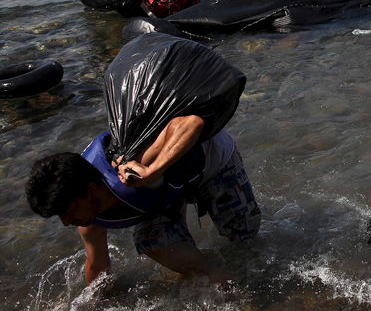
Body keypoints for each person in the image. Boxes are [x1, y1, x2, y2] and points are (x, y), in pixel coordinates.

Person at [27, 116, 261, 285]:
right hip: (162, 190)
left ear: (89, 191)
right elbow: (98, 268)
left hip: (210, 160)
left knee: (244, 239)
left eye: (66, 211)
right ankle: (219, 279)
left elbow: (193, 123)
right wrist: (90, 310)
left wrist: (152, 170)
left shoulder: (134, 162)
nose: (67, 222)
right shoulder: (88, 218)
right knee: (152, 239)